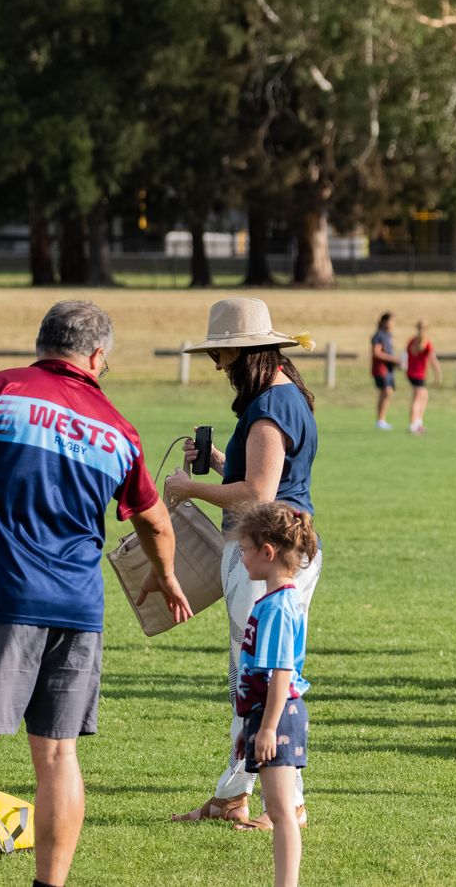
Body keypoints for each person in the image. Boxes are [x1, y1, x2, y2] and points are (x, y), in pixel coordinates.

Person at [0, 300, 192, 887]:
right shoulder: (118, 429)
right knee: (57, 755)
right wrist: (167, 575)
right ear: (96, 357)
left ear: (42, 343)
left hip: (4, 600)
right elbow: (154, 521)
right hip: (79, 609)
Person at [166, 297, 321, 831]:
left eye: (222, 355)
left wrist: (189, 488)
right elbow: (265, 476)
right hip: (282, 549)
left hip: (265, 552)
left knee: (260, 675)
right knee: (260, 672)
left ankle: (285, 803)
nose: (218, 366)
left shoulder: (269, 407)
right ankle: (236, 794)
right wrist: (216, 463)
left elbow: (258, 493)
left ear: (247, 352)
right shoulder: (284, 396)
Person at [232, 503, 318, 887]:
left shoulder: (280, 606)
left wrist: (266, 729)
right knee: (280, 810)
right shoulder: (271, 600)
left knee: (282, 813)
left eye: (245, 549)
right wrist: (249, 728)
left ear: (267, 552)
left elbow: (281, 673)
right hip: (267, 715)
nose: (242, 557)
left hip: (279, 717)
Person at [404, 321, 443, 435]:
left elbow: (407, 355)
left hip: (412, 373)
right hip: (417, 374)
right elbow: (433, 360)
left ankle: (418, 423)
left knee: (424, 396)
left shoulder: (412, 341)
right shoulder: (426, 343)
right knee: (417, 398)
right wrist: (438, 374)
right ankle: (413, 425)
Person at [370, 313, 402, 430]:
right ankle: (380, 420)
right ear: (384, 322)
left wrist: (397, 363)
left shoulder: (389, 335)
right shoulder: (379, 335)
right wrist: (394, 359)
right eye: (390, 321)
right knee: (386, 392)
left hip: (389, 369)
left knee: (387, 393)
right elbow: (377, 353)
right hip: (381, 369)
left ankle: (382, 420)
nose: (393, 324)